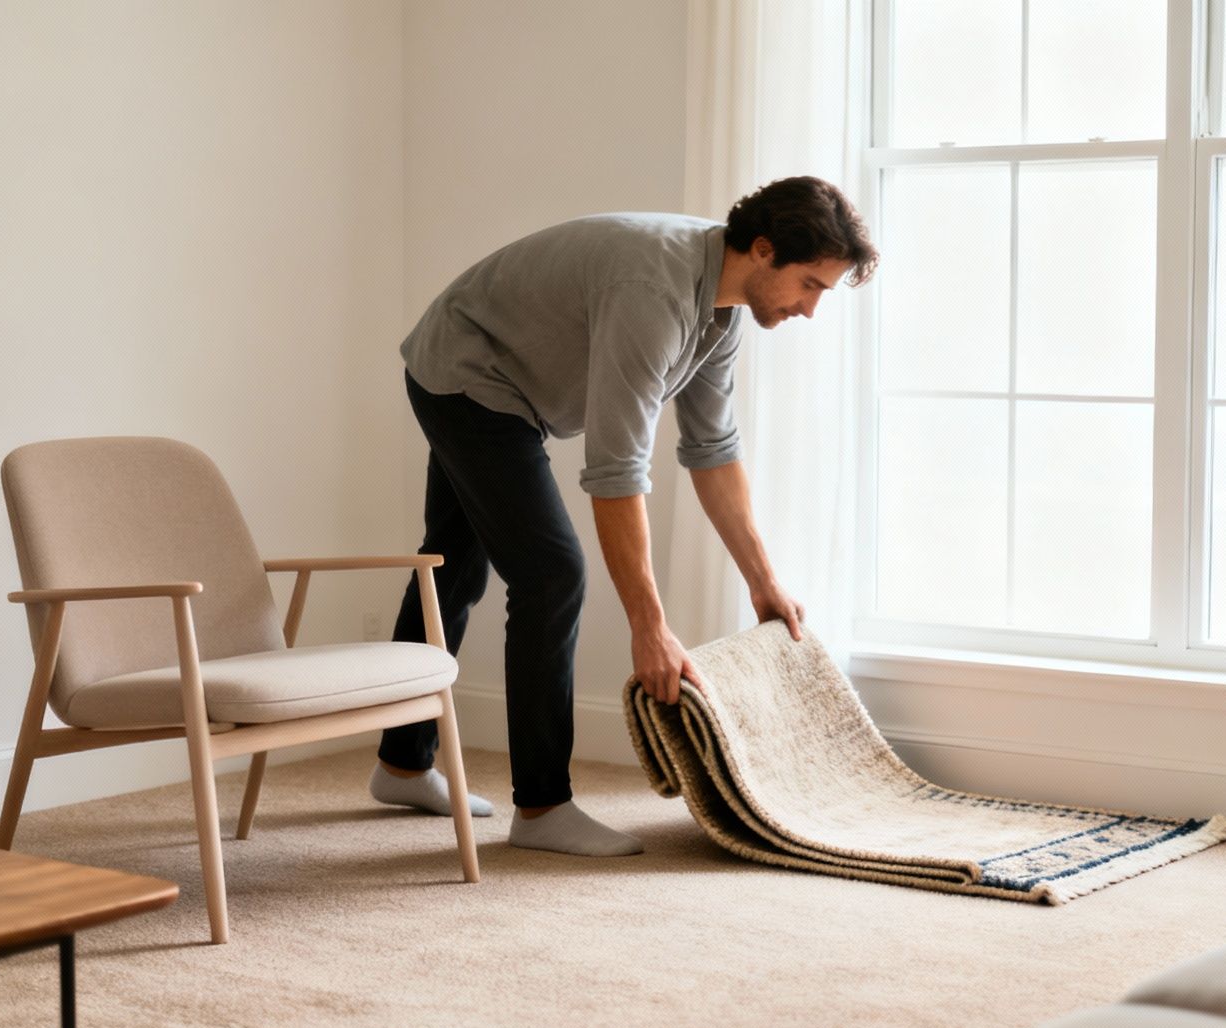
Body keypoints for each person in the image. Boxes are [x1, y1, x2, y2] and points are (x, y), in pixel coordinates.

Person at [370, 176, 878, 856]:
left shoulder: (719, 313)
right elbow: (616, 471)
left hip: (510, 383)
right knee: (552, 573)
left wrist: (762, 579)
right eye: (811, 285)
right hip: (467, 372)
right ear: (763, 250)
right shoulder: (655, 295)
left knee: (455, 564)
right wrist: (650, 629)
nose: (811, 310)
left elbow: (712, 451)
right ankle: (543, 806)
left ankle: (402, 764)